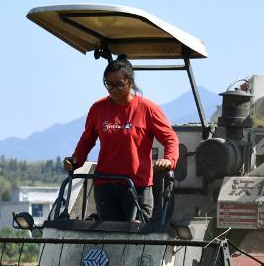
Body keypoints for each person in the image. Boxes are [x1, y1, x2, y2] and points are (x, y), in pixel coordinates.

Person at [64, 56, 179, 222]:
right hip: (105, 184)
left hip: (137, 185)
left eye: (119, 84)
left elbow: (170, 138)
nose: (113, 89)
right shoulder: (98, 109)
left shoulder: (148, 109)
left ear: (130, 82)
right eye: (108, 84)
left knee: (136, 233)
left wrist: (169, 160)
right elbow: (87, 139)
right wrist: (76, 160)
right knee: (109, 234)